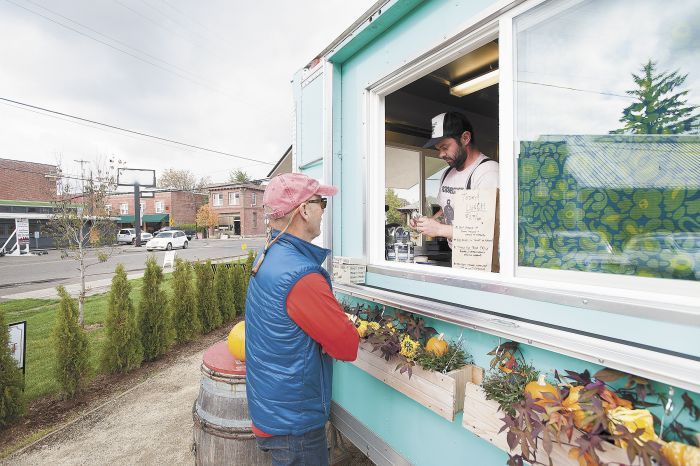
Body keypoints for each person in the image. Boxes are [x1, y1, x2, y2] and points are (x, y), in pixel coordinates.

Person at [245, 172, 360, 466]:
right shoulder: (302, 276)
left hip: (273, 405)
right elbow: (347, 345)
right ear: (304, 210)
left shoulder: (269, 254)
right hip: (294, 424)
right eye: (322, 202)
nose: (323, 210)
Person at [412, 111, 499, 245]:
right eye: (438, 149)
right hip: (458, 258)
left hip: (481, 262)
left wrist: (440, 229)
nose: (441, 154)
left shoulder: (488, 172)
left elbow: (487, 229)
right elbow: (447, 211)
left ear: (465, 138)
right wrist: (427, 223)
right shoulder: (447, 173)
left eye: (445, 147)